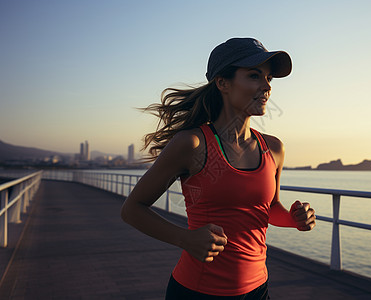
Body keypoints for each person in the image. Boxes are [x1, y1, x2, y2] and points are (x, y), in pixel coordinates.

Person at [121, 37, 316, 299]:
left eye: (269, 78)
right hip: (199, 291)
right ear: (223, 83)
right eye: (254, 76)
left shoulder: (274, 148)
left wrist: (293, 219)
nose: (266, 86)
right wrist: (185, 239)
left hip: (258, 289)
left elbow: (268, 209)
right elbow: (132, 209)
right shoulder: (191, 144)